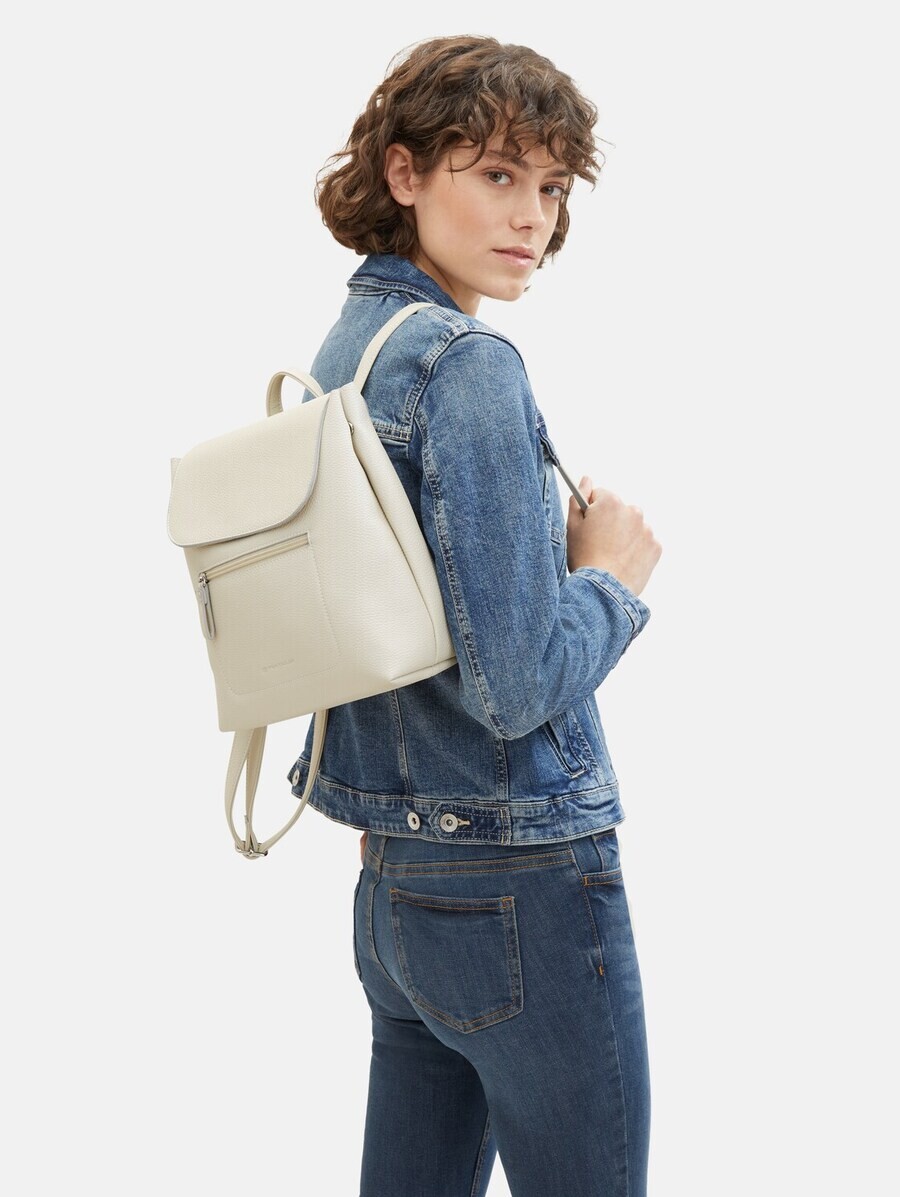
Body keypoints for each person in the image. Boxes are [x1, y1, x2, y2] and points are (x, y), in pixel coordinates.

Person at [286, 34, 662, 1197]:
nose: (532, 217)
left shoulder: (351, 350)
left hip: (398, 883)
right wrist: (611, 580)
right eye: (497, 174)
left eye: (550, 186)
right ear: (403, 172)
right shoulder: (466, 365)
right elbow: (515, 686)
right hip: (526, 883)